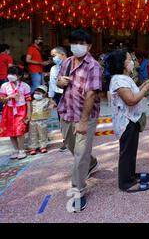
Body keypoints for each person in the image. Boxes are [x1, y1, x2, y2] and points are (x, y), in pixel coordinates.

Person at [56, 30, 102, 212]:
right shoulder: (66, 62)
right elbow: (59, 82)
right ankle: (91, 163)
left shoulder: (93, 66)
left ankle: (78, 191)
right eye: (74, 42)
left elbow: (91, 94)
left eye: (82, 43)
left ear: (89, 46)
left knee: (80, 154)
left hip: (85, 115)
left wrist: (84, 121)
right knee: (71, 145)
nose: (78, 46)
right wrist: (60, 82)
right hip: (66, 111)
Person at [107, 49, 149, 192]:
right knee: (127, 152)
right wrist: (145, 89)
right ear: (121, 63)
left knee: (131, 151)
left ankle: (131, 175)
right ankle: (126, 183)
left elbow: (133, 92)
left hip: (131, 120)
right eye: (129, 59)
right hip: (125, 122)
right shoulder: (118, 80)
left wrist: (143, 85)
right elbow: (131, 100)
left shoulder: (124, 78)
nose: (132, 62)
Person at [0, 66, 31, 160]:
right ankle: (16, 149)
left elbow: (28, 100)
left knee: (20, 130)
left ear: (19, 75)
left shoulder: (25, 86)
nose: (11, 76)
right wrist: (10, 97)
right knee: (10, 130)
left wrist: (29, 113)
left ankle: (21, 150)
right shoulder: (4, 86)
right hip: (8, 110)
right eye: (10, 73)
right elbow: (2, 100)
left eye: (13, 74)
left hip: (21, 109)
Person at [49, 47, 68, 152]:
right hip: (59, 95)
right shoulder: (54, 68)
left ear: (62, 54)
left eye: (54, 55)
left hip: (71, 94)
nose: (53, 58)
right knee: (61, 118)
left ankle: (76, 140)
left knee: (73, 117)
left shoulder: (73, 65)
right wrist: (51, 97)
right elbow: (52, 83)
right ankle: (66, 140)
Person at [29, 85, 55, 155]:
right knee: (32, 134)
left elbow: (53, 105)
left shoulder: (47, 100)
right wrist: (28, 118)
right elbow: (30, 110)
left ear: (44, 94)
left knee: (42, 133)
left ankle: (43, 146)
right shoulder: (32, 101)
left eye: (39, 93)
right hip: (33, 120)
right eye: (35, 93)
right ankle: (33, 147)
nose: (36, 95)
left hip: (42, 120)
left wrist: (50, 101)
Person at [0, 44, 14, 112]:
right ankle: (4, 109)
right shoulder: (8, 57)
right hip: (4, 77)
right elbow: (10, 68)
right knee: (5, 94)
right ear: (6, 50)